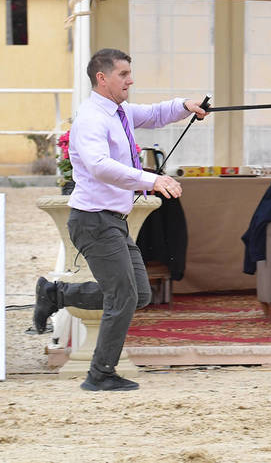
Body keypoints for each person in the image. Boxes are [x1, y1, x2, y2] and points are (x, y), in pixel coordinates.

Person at [33, 48, 208, 391]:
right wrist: (151, 180)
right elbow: (99, 166)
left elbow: (154, 114)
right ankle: (100, 373)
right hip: (93, 221)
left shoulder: (118, 111)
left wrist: (184, 105)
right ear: (102, 77)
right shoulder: (91, 119)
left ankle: (56, 295)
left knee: (138, 294)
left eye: (130, 73)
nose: (131, 80)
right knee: (123, 296)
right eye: (124, 74)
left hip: (112, 220)